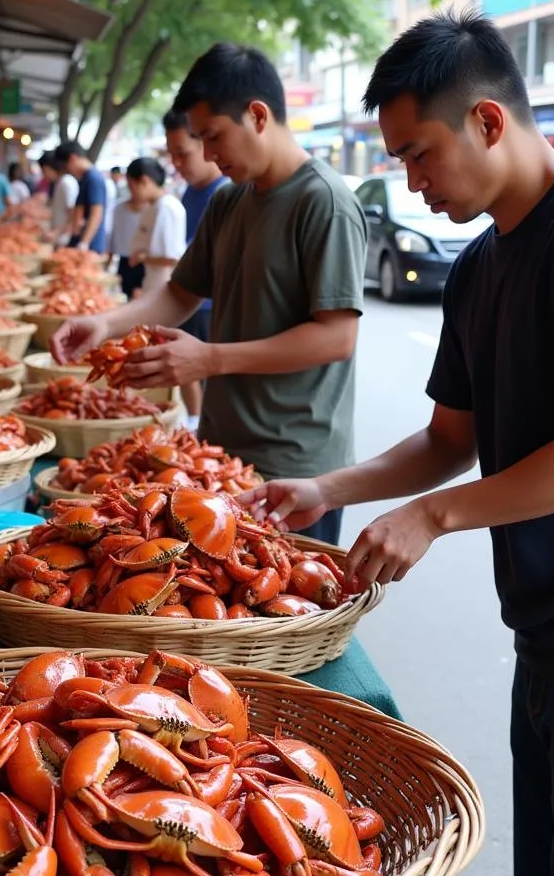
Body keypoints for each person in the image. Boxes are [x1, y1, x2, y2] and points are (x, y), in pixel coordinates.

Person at [240, 11, 554, 876]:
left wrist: (436, 515)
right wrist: (328, 488)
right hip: (541, 634)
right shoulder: (476, 271)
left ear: (488, 122)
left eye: (420, 155)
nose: (414, 184)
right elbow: (447, 440)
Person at [50, 43, 366, 544]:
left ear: (258, 116)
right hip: (220, 454)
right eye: (201, 139)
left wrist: (209, 359)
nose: (209, 154)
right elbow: (179, 293)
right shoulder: (229, 200)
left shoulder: (324, 201)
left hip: (296, 465)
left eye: (214, 137)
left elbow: (336, 339)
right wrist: (105, 324)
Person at [164, 107, 230, 427]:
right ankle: (194, 422)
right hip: (189, 299)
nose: (177, 164)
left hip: (208, 307)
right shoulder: (196, 192)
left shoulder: (224, 193)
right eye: (172, 155)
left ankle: (196, 422)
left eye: (182, 154)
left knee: (200, 376)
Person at [126, 157, 186, 296]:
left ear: (144, 181)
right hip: (153, 284)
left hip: (164, 288)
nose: (131, 192)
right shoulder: (155, 206)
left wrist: (141, 257)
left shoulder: (166, 207)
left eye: (131, 186)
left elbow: (173, 259)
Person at [56, 142, 109, 253]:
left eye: (66, 167)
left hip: (90, 245)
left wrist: (84, 243)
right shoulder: (84, 178)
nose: (68, 171)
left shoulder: (93, 179)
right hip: (82, 240)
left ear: (73, 158)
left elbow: (96, 213)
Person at [108, 189, 145, 299]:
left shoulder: (155, 210)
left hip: (144, 262)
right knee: (125, 294)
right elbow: (114, 235)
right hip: (124, 259)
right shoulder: (119, 208)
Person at [41, 151, 79, 245]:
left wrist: (56, 233)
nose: (44, 175)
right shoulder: (60, 182)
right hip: (59, 238)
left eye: (44, 171)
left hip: (64, 239)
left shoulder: (66, 183)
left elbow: (73, 214)